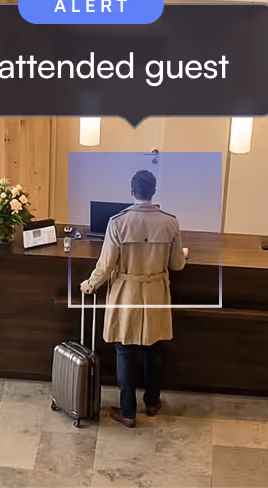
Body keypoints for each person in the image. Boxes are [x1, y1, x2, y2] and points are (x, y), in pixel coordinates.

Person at [81, 169, 187, 428]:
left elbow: (106, 265)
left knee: (124, 349)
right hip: (156, 293)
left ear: (132, 191)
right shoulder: (170, 222)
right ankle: (152, 402)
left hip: (127, 291)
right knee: (154, 348)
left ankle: (128, 411)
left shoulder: (118, 222)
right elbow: (177, 265)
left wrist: (90, 285)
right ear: (154, 191)